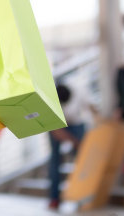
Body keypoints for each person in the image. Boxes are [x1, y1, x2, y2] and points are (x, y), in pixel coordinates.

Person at [47, 82, 95, 211]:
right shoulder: (49, 99)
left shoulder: (80, 89)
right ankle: (54, 199)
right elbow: (56, 132)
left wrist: (100, 120)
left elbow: (90, 107)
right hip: (56, 124)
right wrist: (74, 141)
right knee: (55, 161)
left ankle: (82, 196)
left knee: (82, 160)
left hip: (76, 123)